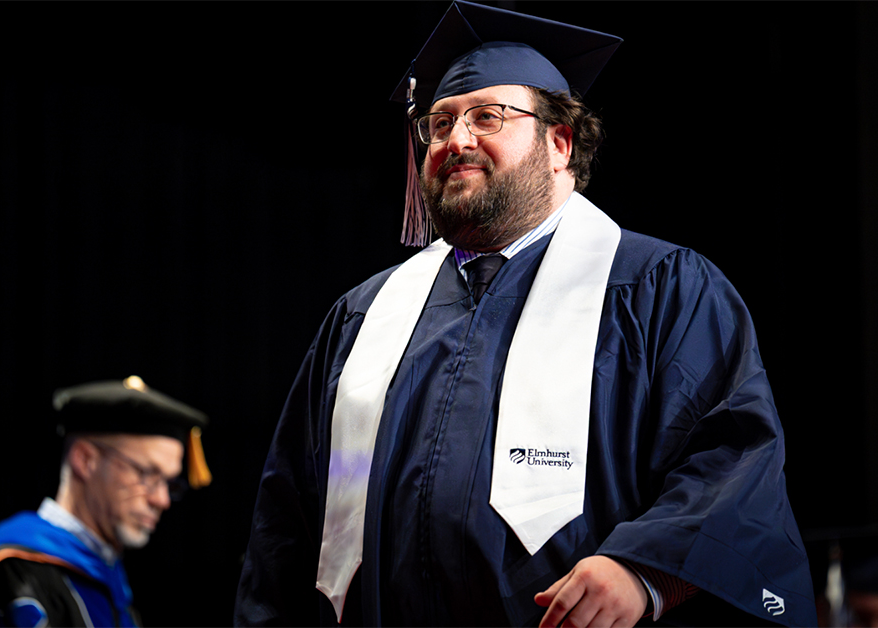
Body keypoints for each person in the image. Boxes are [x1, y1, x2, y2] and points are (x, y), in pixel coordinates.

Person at [235, 3, 814, 626]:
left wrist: (645, 571)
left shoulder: (657, 288)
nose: (457, 140)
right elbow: (289, 519)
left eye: (488, 117)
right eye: (440, 122)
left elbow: (731, 455)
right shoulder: (366, 315)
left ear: (559, 143)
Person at [0, 376, 211, 627]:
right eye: (147, 474)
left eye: (169, 483)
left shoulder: (109, 578)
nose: (162, 499)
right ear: (85, 460)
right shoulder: (11, 572)